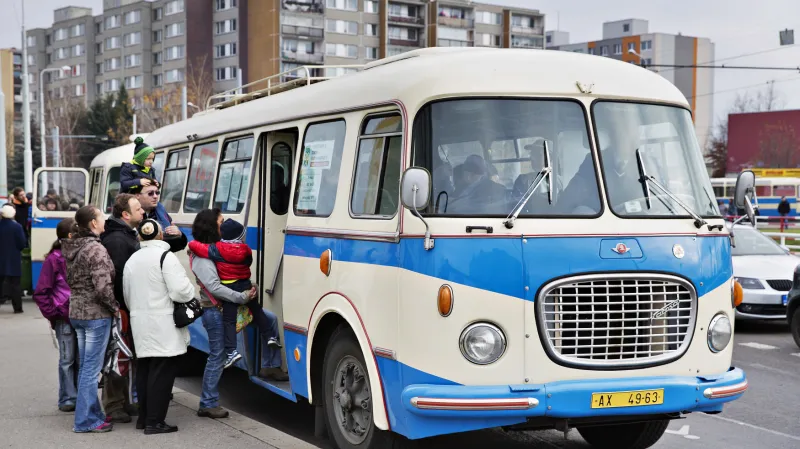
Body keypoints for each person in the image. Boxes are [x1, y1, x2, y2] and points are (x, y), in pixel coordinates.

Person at [189, 209, 288, 385]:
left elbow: (235, 277)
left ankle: (270, 366)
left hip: (234, 302)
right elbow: (215, 287)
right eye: (221, 222)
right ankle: (208, 399)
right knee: (217, 356)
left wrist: (251, 288)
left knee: (270, 320)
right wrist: (243, 296)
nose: (225, 225)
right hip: (216, 309)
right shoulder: (204, 257)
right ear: (211, 228)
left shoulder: (222, 249)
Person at [123, 219, 195, 435]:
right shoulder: (166, 257)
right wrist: (190, 291)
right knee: (162, 374)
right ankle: (155, 422)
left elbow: (127, 295)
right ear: (161, 235)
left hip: (140, 322)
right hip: (163, 325)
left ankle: (144, 418)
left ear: (140, 236)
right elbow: (181, 292)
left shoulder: (132, 259)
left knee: (145, 371)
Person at [63, 205, 119, 433]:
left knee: (86, 367)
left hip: (77, 312)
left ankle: (93, 415)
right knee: (91, 370)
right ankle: (85, 421)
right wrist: (114, 307)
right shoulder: (96, 249)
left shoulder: (73, 247)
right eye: (101, 217)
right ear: (94, 223)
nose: (105, 220)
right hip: (96, 315)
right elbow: (103, 287)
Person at [99, 193, 145, 423]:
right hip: (121, 307)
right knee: (118, 356)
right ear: (125, 214)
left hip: (125, 306)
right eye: (138, 209)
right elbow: (117, 277)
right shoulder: (118, 240)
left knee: (124, 356)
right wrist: (122, 306)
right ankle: (114, 405)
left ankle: (123, 402)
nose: (143, 212)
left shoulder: (125, 234)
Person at [33, 218, 77, 412]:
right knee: (67, 360)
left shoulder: (79, 255)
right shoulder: (54, 259)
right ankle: (68, 398)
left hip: (81, 315)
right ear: (70, 236)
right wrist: (55, 313)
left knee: (79, 359)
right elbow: (41, 292)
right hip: (64, 317)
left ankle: (77, 396)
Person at [135, 184, 187, 253]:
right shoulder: (131, 214)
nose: (155, 196)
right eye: (150, 193)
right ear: (138, 195)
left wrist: (180, 235)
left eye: (157, 193)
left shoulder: (161, 211)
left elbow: (175, 246)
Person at [0, 204, 27, 313]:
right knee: (15, 284)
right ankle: (17, 308)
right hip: (13, 258)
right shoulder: (17, 227)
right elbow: (22, 243)